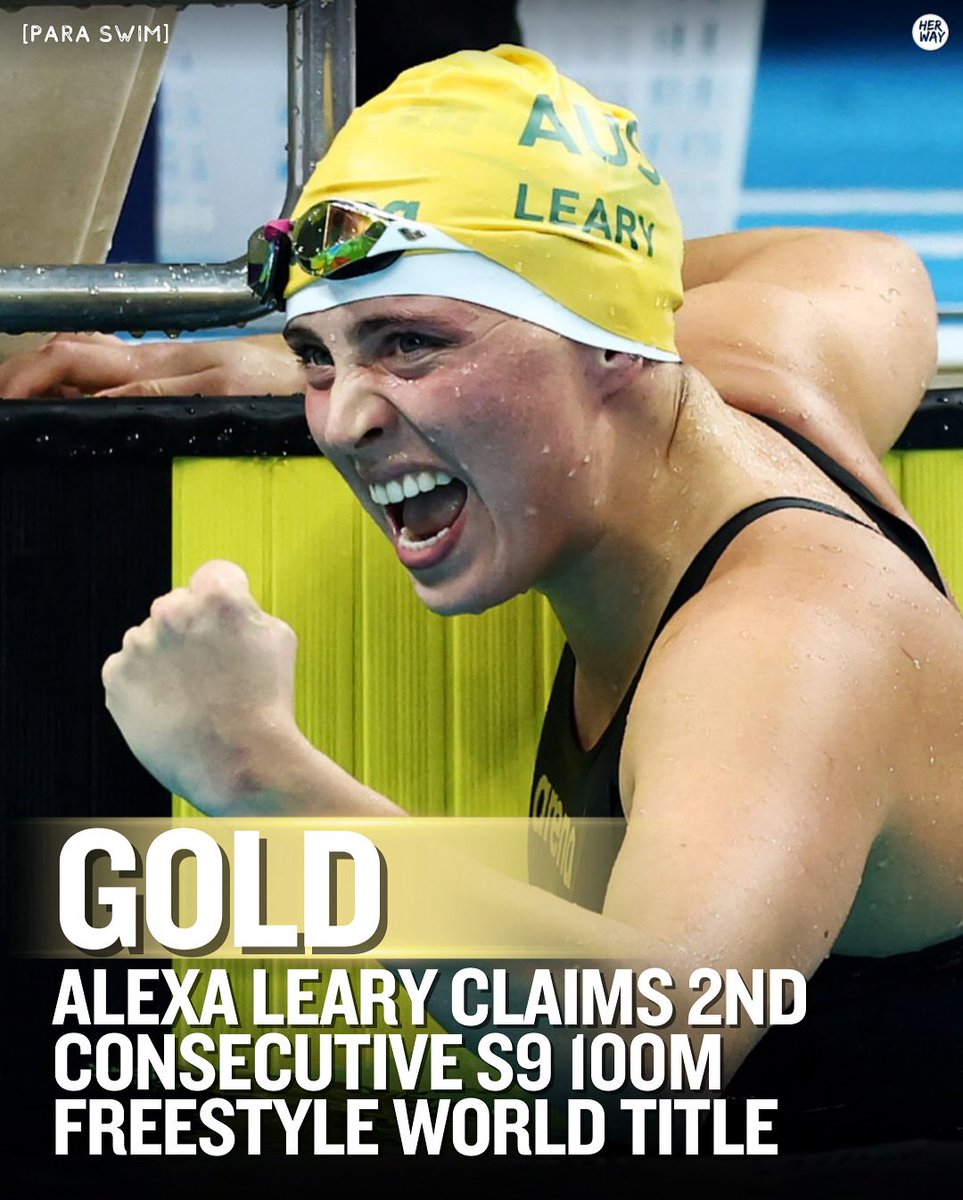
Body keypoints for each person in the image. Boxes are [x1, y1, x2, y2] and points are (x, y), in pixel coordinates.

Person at [96, 46, 961, 1149]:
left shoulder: (784, 640)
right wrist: (406, 335)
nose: (343, 421)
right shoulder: (763, 369)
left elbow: (650, 1046)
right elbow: (872, 263)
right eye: (316, 357)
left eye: (414, 342)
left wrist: (260, 776)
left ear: (611, 350)